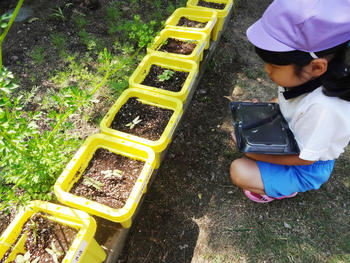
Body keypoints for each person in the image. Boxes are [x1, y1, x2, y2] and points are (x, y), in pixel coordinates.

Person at [230, 0, 350, 203]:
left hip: (306, 167)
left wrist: (252, 152)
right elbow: (286, 100)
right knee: (241, 134)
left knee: (239, 170)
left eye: (275, 66)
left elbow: (305, 158)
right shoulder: (309, 77)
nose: (267, 70)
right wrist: (264, 111)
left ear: (316, 67)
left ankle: (283, 189)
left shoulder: (324, 109)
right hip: (289, 136)